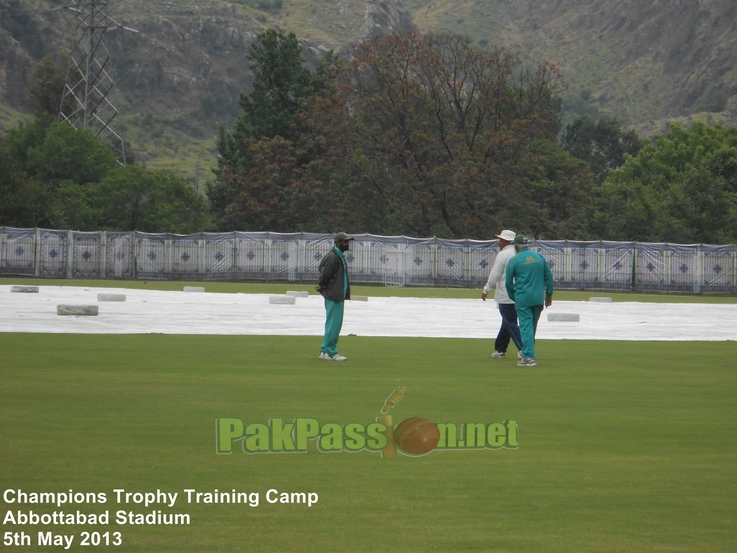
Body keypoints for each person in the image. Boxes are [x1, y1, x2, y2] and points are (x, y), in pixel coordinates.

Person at [505, 234, 554, 367]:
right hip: (538, 298)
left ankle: (528, 356)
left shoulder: (515, 260)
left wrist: (513, 296)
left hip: (523, 298)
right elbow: (549, 277)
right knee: (531, 327)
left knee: (526, 327)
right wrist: (548, 296)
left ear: (516, 246)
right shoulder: (539, 257)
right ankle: (527, 352)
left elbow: (508, 282)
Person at [482, 229, 523, 360]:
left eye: (500, 239)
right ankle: (500, 349)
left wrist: (486, 289)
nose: (499, 242)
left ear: (506, 241)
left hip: (506, 295)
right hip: (520, 294)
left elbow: (495, 274)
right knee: (507, 321)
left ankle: (524, 348)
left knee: (510, 322)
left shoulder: (503, 254)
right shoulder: (520, 253)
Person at [315, 232, 353, 361]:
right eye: (345, 241)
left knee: (331, 324)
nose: (347, 244)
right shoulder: (334, 256)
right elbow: (325, 272)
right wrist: (323, 285)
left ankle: (325, 350)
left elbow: (322, 268)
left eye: (348, 241)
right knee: (334, 325)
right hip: (334, 295)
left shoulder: (337, 255)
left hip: (335, 294)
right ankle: (331, 352)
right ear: (338, 243)